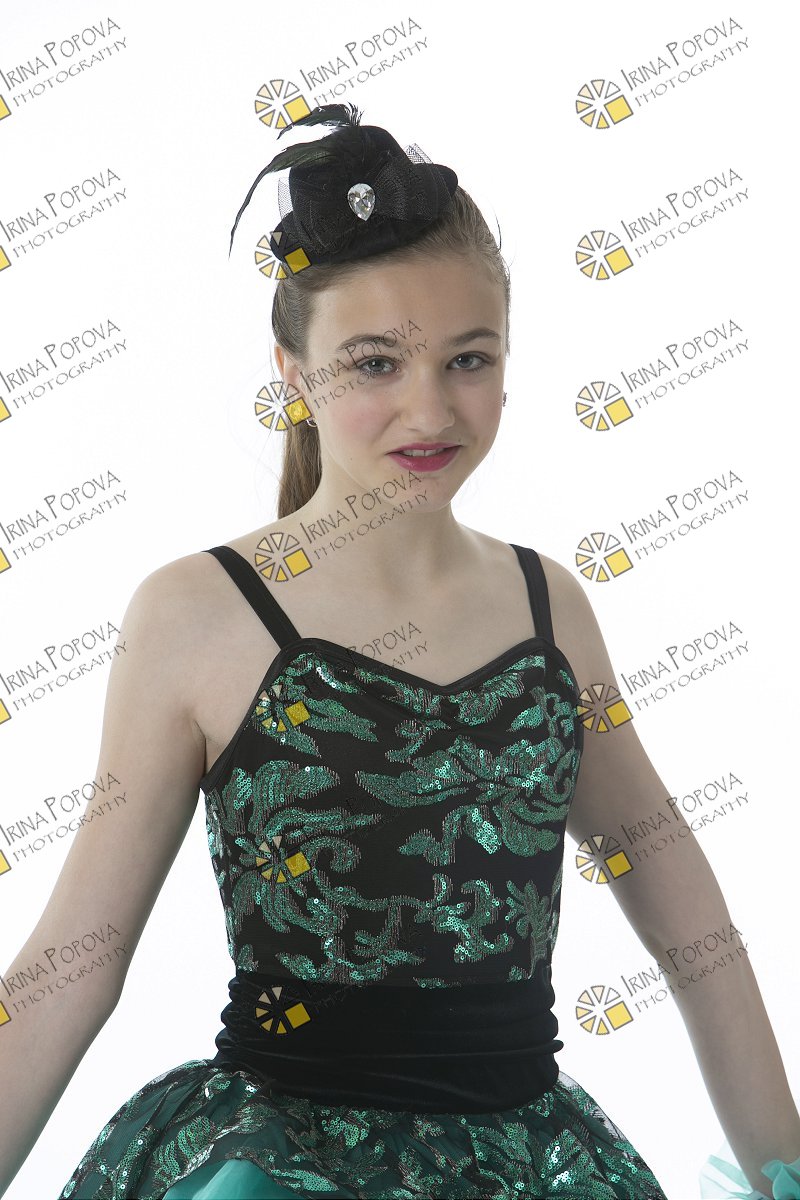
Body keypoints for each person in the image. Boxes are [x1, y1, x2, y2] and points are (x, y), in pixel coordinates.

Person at [1, 104, 798, 1200]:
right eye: (374, 362)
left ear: (507, 365)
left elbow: (694, 936)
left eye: (467, 359)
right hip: (277, 1165)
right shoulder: (196, 614)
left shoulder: (550, 610)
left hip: (527, 1166)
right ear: (293, 372)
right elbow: (72, 969)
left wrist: (786, 1172)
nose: (429, 408)